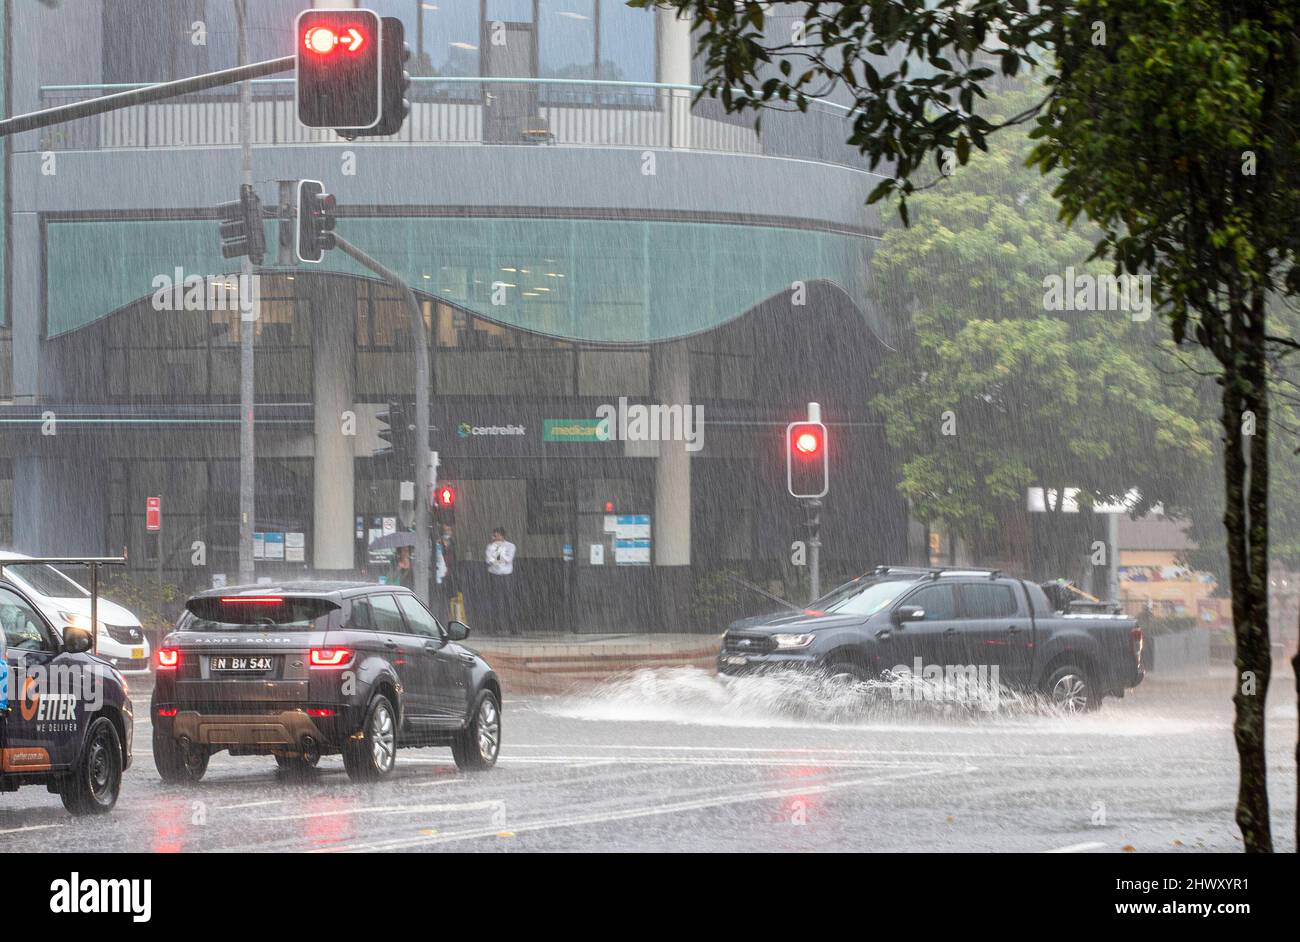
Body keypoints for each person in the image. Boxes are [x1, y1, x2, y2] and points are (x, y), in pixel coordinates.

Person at [484, 527, 518, 635]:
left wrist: (498, 552)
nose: (494, 537)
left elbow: (508, 560)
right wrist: (497, 556)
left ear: (502, 536)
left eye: (497, 535)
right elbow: (488, 560)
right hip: (494, 576)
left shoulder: (510, 546)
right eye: (494, 535)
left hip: (507, 576)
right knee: (495, 602)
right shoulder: (490, 546)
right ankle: (493, 627)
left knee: (510, 602)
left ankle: (513, 628)